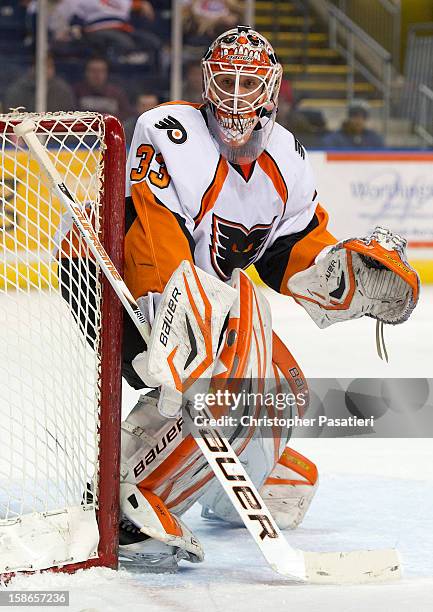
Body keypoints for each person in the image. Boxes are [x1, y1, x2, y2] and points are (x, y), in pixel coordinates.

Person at [61, 26, 419, 572]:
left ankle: (227, 486)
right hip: (104, 273)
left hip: (189, 295)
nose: (233, 96)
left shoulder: (285, 158)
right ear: (205, 81)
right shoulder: (170, 130)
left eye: (246, 83)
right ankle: (127, 494)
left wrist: (336, 275)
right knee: (233, 334)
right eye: (223, 80)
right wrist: (170, 309)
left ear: (271, 90)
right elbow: (155, 232)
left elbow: (290, 247)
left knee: (286, 387)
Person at [4, 53, 75, 113]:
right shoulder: (17, 90)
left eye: (49, 66)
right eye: (41, 66)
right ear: (32, 68)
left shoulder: (63, 90)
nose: (45, 70)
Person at [74, 57, 132, 121]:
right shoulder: (77, 92)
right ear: (86, 73)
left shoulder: (117, 94)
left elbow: (127, 116)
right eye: (93, 71)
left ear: (106, 73)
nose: (97, 75)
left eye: (101, 71)